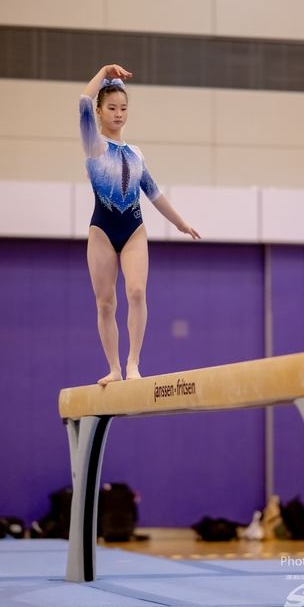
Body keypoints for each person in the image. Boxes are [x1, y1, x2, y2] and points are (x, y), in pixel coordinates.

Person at [80, 64, 200, 385]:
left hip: (133, 229)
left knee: (136, 292)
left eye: (123, 108)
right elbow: (82, 101)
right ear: (100, 112)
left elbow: (153, 193)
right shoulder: (93, 144)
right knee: (106, 303)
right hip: (102, 232)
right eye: (112, 108)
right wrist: (104, 72)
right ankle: (114, 368)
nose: (118, 114)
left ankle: (133, 363)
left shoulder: (135, 154)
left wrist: (180, 223)